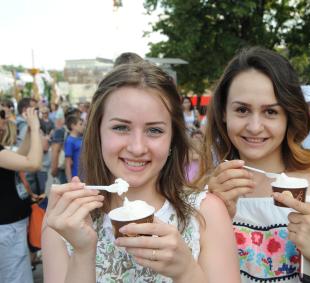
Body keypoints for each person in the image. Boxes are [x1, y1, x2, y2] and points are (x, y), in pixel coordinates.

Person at [42, 62, 239, 282]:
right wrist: (82, 252)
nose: (137, 148)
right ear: (97, 132)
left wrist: (186, 272)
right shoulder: (65, 219)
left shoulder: (207, 212)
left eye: (154, 130)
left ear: (172, 138)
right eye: (121, 127)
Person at [199, 47, 310, 282]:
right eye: (242, 110)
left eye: (270, 112)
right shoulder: (205, 191)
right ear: (223, 113)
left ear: (289, 115)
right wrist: (210, 215)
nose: (254, 126)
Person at [0, 107, 42, 283]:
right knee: (16, 277)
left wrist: (30, 132)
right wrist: (35, 127)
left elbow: (18, 158)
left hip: (11, 227)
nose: (5, 120)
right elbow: (33, 163)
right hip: (7, 229)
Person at [64, 115, 84, 182]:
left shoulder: (81, 138)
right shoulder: (70, 141)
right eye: (80, 124)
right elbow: (68, 162)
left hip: (85, 174)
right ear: (73, 126)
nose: (83, 126)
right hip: (77, 176)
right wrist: (69, 180)